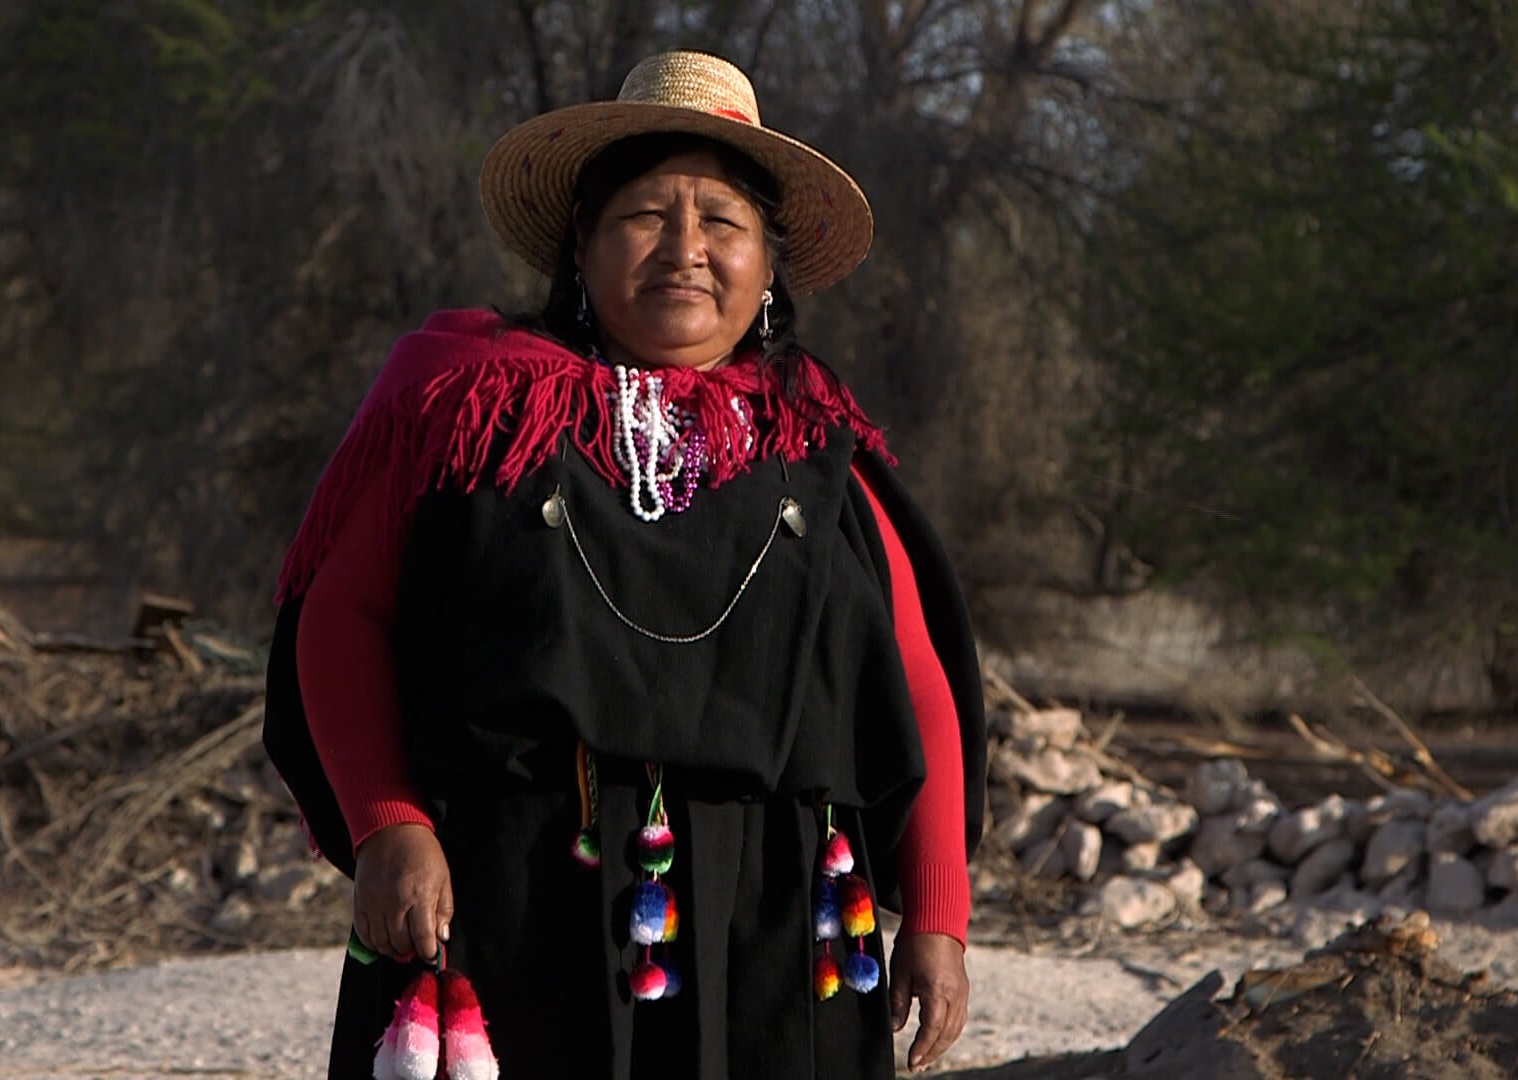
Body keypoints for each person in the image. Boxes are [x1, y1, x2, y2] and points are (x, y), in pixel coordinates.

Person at [261, 50, 986, 1079]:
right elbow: (339, 619)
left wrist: (938, 918)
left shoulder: (818, 452)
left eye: (723, 222)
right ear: (583, 253)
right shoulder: (481, 415)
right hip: (517, 896)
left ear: (769, 266)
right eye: (645, 215)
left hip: (780, 916)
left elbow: (916, 680)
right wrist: (389, 827)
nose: (685, 250)